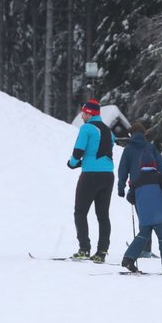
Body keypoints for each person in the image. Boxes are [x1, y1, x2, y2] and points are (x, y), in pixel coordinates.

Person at [67, 98, 115, 262]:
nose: (81, 116)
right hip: (108, 176)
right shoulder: (109, 131)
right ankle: (101, 252)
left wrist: (73, 163)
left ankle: (84, 249)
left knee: (80, 212)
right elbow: (108, 146)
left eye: (83, 113)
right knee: (103, 215)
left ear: (89, 113)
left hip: (90, 175)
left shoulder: (87, 128)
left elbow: (78, 151)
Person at [117, 122, 162, 258]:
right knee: (156, 218)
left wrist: (121, 188)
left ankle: (145, 249)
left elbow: (123, 170)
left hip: (138, 189)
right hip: (156, 187)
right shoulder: (150, 147)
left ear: (131, 134)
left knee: (144, 219)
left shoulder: (128, 150)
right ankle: (158, 246)